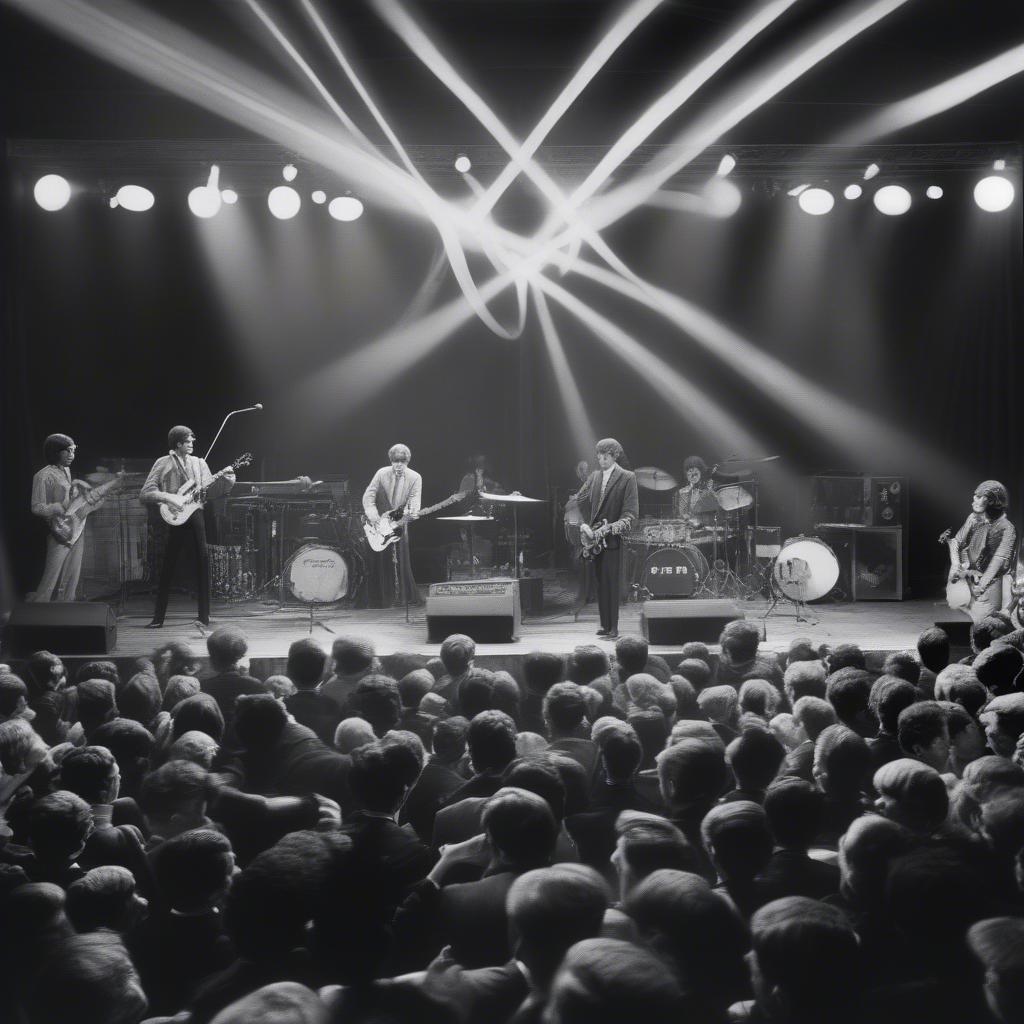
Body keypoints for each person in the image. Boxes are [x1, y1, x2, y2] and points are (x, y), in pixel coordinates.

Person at [140, 425, 235, 628]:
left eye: (192, 441)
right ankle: (158, 618)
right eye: (188, 441)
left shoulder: (199, 463)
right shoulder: (163, 463)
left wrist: (227, 480)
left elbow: (210, 491)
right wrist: (169, 497)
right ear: (178, 443)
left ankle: (204, 617)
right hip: (171, 518)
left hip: (196, 515)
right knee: (166, 566)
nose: (192, 444)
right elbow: (146, 492)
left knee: (203, 562)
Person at [575, 438, 639, 639]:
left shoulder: (627, 477)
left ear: (614, 455)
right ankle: (604, 625)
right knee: (600, 583)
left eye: (606, 455)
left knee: (612, 583)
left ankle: (614, 627)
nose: (601, 459)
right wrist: (584, 524)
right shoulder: (594, 477)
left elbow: (631, 515)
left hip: (613, 539)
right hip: (594, 539)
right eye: (599, 456)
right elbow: (579, 499)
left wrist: (608, 529)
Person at [29, 433, 98, 602]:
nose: (71, 455)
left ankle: (66, 603)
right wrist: (56, 507)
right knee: (51, 575)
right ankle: (40, 607)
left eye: (73, 450)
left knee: (73, 571)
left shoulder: (66, 471)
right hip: (57, 530)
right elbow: (36, 507)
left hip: (75, 526)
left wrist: (76, 490)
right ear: (55, 452)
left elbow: (66, 496)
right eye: (67, 451)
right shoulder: (42, 476)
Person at [362, 443, 423, 608]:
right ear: (391, 461)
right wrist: (374, 516)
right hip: (380, 520)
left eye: (402, 462)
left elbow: (414, 499)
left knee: (401, 558)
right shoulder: (381, 473)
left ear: (407, 462)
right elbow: (369, 495)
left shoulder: (415, 477)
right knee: (381, 558)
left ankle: (401, 597)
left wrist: (410, 514)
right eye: (396, 461)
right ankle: (381, 598)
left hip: (400, 520)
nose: (399, 465)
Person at [948, 480, 1017, 623]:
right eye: (975, 495)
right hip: (973, 577)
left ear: (991, 501)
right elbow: (956, 542)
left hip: (996, 582)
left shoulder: (1007, 528)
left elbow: (998, 560)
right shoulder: (973, 518)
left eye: (979, 496)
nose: (974, 499)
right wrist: (956, 565)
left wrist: (982, 585)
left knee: (987, 620)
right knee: (957, 603)